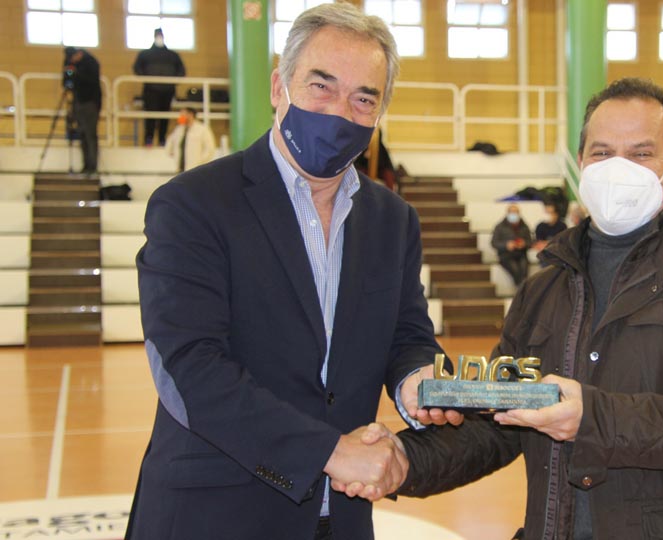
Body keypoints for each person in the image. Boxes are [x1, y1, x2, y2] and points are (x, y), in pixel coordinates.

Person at [393, 78, 663, 539]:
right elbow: (501, 425)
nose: (618, 167)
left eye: (641, 153)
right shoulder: (543, 289)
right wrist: (402, 460)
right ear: (581, 162)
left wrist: (594, 417)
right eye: (602, 153)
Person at [125, 5, 462, 540]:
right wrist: (328, 451)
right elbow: (189, 367)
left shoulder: (393, 219)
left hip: (342, 518)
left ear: (379, 113)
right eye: (321, 86)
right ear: (279, 87)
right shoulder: (193, 204)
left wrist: (417, 382)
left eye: (363, 98)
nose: (339, 113)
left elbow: (407, 336)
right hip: (215, 517)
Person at [133, 28, 186, 146]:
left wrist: (172, 81)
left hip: (167, 90)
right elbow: (137, 68)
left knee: (164, 116)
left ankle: (162, 139)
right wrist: (147, 79)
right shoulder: (145, 54)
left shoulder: (173, 55)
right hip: (151, 90)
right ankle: (149, 139)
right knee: (150, 115)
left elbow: (182, 71)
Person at [62, 47, 100, 174]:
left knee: (90, 135)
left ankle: (93, 166)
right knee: (82, 133)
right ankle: (86, 165)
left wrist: (76, 73)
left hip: (90, 103)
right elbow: (66, 82)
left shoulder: (91, 62)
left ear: (78, 54)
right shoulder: (70, 64)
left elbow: (92, 82)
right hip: (78, 102)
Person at [164, 107, 216, 172]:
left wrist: (200, 162)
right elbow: (170, 142)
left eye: (183, 115)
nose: (181, 117)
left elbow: (209, 149)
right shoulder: (179, 129)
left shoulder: (202, 129)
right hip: (180, 168)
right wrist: (172, 153)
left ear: (190, 115)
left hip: (195, 168)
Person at [491, 203, 532, 287]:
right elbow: (494, 243)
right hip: (505, 255)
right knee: (515, 270)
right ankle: (521, 291)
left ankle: (522, 292)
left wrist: (524, 244)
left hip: (521, 254)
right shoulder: (500, 227)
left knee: (524, 270)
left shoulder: (524, 226)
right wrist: (506, 245)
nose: (514, 214)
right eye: (512, 212)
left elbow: (530, 242)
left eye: (516, 212)